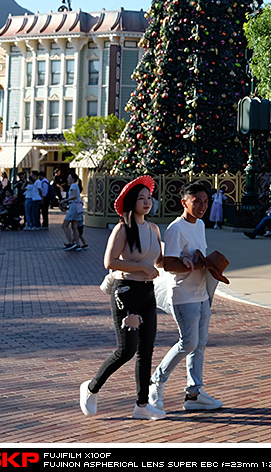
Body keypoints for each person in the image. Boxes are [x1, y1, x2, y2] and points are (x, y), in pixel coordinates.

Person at [79, 176, 165, 420]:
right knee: (127, 350)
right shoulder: (122, 229)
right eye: (141, 198)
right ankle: (91, 388)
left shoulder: (153, 228)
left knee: (146, 350)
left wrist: (186, 260)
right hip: (126, 293)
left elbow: (158, 261)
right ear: (131, 202)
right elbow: (109, 262)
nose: (147, 202)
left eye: (149, 198)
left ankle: (141, 405)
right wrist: (141, 268)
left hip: (148, 293)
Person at [149, 180, 224, 413]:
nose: (202, 206)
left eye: (205, 202)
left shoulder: (200, 225)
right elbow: (167, 263)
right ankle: (156, 381)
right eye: (196, 202)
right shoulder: (176, 229)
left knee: (199, 344)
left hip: (202, 293)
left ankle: (194, 394)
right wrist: (187, 264)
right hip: (183, 295)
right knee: (188, 342)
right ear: (184, 202)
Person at [61, 172, 86, 251]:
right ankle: (77, 244)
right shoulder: (75, 186)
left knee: (65, 225)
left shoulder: (73, 185)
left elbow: (74, 196)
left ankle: (71, 242)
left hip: (73, 207)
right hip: (76, 207)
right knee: (74, 227)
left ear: (73, 179)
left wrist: (65, 200)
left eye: (69, 178)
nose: (68, 179)